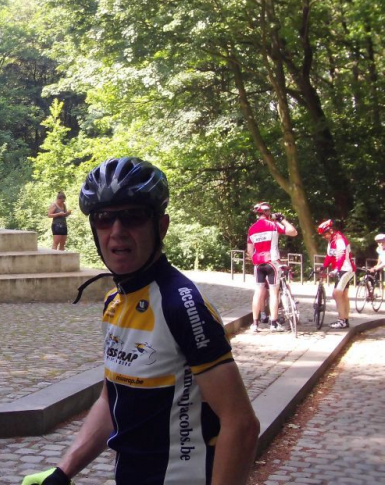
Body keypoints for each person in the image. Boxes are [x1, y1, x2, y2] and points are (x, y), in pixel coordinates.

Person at [22, 157, 259, 485]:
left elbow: (240, 423)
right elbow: (110, 400)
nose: (117, 232)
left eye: (132, 217)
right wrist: (64, 472)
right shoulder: (114, 303)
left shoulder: (182, 305)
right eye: (104, 219)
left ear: (160, 226)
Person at [246, 202, 298, 333]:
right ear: (268, 212)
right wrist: (283, 220)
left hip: (258, 264)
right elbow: (293, 232)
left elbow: (249, 250)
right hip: (272, 261)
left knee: (258, 292)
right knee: (274, 293)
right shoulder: (273, 225)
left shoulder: (251, 229)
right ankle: (273, 324)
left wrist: (256, 259)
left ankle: (254, 324)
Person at [318, 218, 356, 329]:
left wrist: (336, 269)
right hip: (341, 269)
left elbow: (342, 255)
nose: (324, 237)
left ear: (330, 231)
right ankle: (345, 319)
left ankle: (341, 320)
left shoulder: (339, 239)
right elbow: (330, 255)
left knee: (336, 294)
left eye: (325, 234)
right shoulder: (331, 241)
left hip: (345, 269)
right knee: (343, 295)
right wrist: (324, 266)